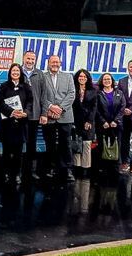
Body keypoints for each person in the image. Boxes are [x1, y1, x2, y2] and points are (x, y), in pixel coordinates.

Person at [39, 54, 76, 183]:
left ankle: (67, 170)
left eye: (57, 62)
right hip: (48, 115)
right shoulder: (42, 77)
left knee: (66, 144)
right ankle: (50, 168)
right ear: (48, 63)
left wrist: (60, 108)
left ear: (60, 64)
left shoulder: (68, 76)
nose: (55, 64)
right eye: (52, 62)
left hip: (65, 115)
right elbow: (40, 95)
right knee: (49, 144)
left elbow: (71, 94)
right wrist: (50, 107)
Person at [0, 63, 33, 186]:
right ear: (10, 73)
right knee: (6, 151)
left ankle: (17, 174)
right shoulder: (4, 86)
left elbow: (30, 102)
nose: (15, 73)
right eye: (13, 71)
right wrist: (12, 112)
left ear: (20, 73)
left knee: (18, 152)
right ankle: (6, 173)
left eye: (17, 71)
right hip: (7, 124)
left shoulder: (26, 87)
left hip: (21, 124)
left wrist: (25, 113)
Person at [21, 50, 44, 181]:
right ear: (23, 58)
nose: (30, 61)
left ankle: (31, 172)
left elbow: (44, 95)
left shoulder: (40, 74)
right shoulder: (17, 71)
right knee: (18, 144)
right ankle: (16, 172)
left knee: (32, 144)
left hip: (34, 115)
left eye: (32, 59)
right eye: (28, 58)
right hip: (20, 115)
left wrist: (44, 112)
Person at [96, 72, 126, 168]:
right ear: (102, 81)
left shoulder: (119, 93)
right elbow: (96, 109)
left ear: (112, 81)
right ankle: (103, 166)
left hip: (116, 124)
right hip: (103, 124)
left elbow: (122, 108)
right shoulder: (98, 94)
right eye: (105, 79)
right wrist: (103, 121)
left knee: (117, 144)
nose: (107, 81)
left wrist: (116, 121)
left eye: (108, 79)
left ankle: (116, 165)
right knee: (102, 145)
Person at [72, 69, 98, 176]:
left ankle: (85, 169)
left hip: (88, 122)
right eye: (80, 77)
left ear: (87, 79)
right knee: (76, 144)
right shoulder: (73, 90)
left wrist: (89, 121)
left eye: (84, 77)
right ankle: (76, 167)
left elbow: (94, 107)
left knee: (86, 144)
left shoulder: (93, 91)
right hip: (76, 121)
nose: (82, 79)